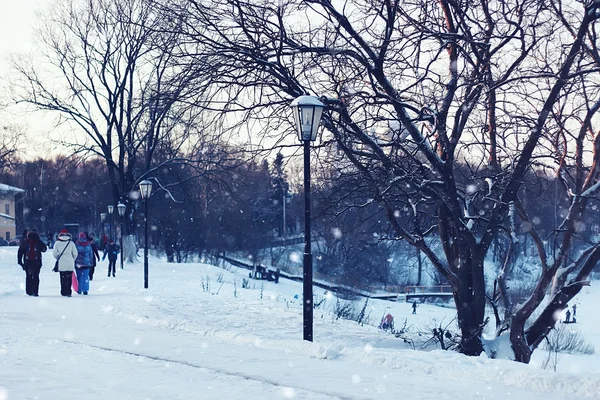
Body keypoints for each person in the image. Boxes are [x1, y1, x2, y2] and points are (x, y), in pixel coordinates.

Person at [17, 229, 48, 296]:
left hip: (27, 262)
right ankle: (35, 291)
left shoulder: (25, 242)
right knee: (36, 276)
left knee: (29, 276)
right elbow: (44, 249)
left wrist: (20, 261)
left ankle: (29, 291)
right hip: (37, 262)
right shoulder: (38, 242)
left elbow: (20, 252)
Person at [52, 229, 78, 297]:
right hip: (69, 262)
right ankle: (68, 291)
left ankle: (63, 291)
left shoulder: (57, 243)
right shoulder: (71, 243)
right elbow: (75, 253)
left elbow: (54, 253)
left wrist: (58, 258)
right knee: (69, 278)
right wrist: (72, 259)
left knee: (62, 277)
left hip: (61, 262)